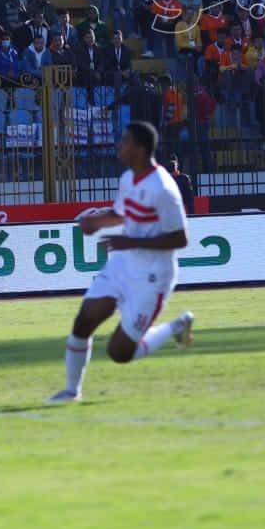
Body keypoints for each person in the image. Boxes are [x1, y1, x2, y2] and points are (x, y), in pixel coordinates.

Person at [49, 121, 195, 404]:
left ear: (140, 149)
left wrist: (132, 242)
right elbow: (122, 214)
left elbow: (180, 238)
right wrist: (97, 221)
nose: (119, 146)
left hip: (153, 275)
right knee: (84, 321)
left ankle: (176, 326)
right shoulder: (129, 178)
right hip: (123, 264)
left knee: (120, 353)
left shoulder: (163, 188)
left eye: (125, 141)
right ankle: (71, 391)